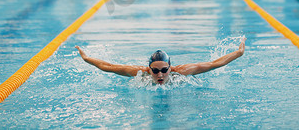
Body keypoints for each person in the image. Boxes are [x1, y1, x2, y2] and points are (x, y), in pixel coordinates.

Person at [75, 37, 246, 85]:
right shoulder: (139, 73)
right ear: (148, 69)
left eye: (164, 70)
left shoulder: (183, 71)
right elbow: (109, 67)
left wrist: (238, 53)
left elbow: (215, 64)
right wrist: (86, 58)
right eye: (155, 71)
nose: (160, 75)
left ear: (170, 68)